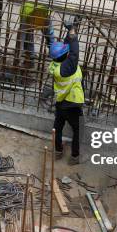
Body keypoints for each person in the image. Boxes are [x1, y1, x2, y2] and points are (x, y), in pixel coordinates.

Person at [48, 18, 84, 165]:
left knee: (57, 128)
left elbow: (65, 48)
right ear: (65, 56)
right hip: (72, 103)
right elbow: (74, 53)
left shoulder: (56, 65)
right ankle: (75, 156)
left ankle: (58, 151)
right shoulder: (67, 67)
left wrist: (69, 33)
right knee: (77, 130)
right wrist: (73, 34)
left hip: (60, 103)